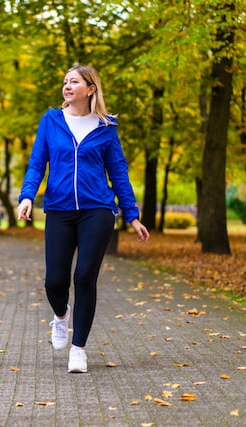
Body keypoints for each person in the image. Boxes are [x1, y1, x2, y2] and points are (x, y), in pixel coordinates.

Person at [17, 64, 150, 373]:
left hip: (98, 210)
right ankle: (61, 317)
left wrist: (132, 215)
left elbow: (118, 172)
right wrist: (27, 196)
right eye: (65, 81)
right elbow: (37, 163)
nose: (67, 86)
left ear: (90, 89)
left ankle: (79, 350)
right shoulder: (51, 121)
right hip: (60, 210)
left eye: (74, 81)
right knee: (55, 280)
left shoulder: (106, 127)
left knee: (85, 276)